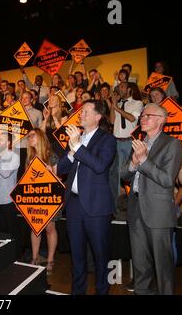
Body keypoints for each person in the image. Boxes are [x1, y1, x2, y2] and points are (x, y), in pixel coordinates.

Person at [121, 103, 182, 295]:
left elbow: (166, 179)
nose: (142, 118)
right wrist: (133, 163)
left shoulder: (172, 144)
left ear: (161, 120)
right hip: (135, 207)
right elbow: (124, 174)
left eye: (147, 115)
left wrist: (145, 160)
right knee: (140, 265)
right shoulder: (139, 142)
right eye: (142, 116)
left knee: (163, 268)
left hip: (158, 212)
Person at [57, 99, 117, 295]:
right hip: (74, 204)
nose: (80, 114)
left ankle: (102, 291)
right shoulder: (78, 138)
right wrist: (72, 150)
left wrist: (78, 147)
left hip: (96, 206)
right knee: (77, 254)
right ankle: (78, 291)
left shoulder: (107, 139)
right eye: (81, 111)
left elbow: (100, 165)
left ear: (98, 117)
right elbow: (62, 167)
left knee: (101, 255)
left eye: (85, 111)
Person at [25, 128, 59, 275]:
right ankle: (35, 258)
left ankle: (50, 260)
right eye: (28, 136)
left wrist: (50, 172)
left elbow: (58, 182)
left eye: (32, 135)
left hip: (50, 199)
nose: (30, 138)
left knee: (49, 229)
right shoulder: (29, 157)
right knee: (35, 229)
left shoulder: (51, 156)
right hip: (35, 199)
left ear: (40, 137)